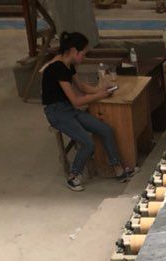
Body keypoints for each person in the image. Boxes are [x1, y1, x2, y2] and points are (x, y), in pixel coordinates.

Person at [41, 30, 134, 192]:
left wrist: (101, 89)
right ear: (74, 51)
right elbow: (76, 101)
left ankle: (118, 169)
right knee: (87, 143)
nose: (84, 57)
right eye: (83, 53)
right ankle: (73, 176)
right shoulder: (57, 68)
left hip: (68, 108)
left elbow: (82, 87)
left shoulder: (68, 64)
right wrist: (99, 95)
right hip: (56, 112)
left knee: (106, 130)